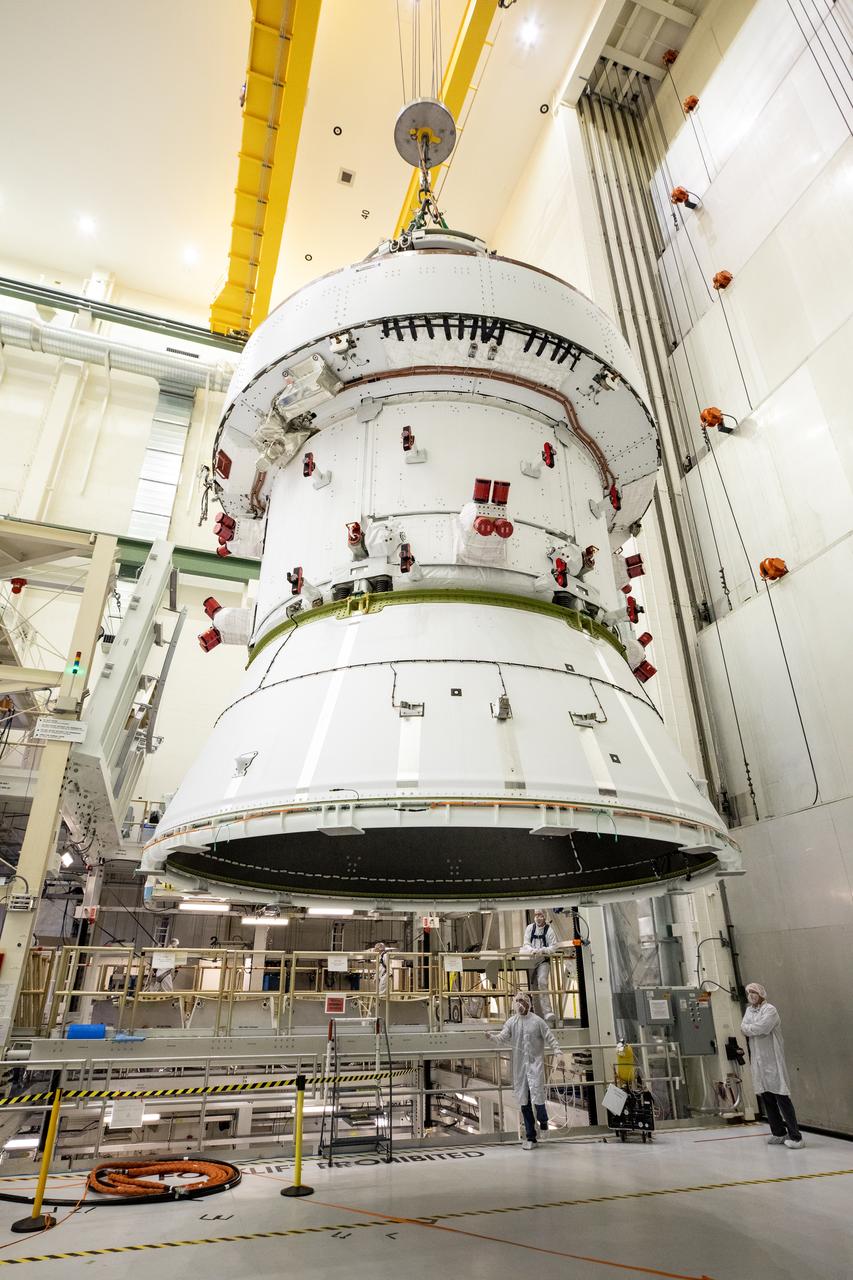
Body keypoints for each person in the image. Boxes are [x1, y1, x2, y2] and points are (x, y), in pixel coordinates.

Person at [488, 991, 563, 1149]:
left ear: (528, 1003)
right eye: (517, 1001)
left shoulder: (537, 1022)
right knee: (524, 1103)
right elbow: (502, 1037)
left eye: (522, 1001)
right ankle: (531, 1138)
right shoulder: (511, 1022)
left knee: (538, 1099)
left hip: (535, 1066)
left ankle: (543, 1122)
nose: (519, 1004)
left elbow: (550, 1037)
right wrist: (492, 1037)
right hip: (520, 1069)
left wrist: (558, 1052)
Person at [741, 982, 804, 1149]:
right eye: (749, 993)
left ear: (761, 993)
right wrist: (751, 1028)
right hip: (759, 1063)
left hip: (773, 1061)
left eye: (754, 992)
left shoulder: (770, 1010)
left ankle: (796, 1137)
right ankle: (778, 1133)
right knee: (767, 1097)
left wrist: (750, 1028)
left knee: (782, 1097)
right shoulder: (749, 1010)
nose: (751, 996)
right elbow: (743, 1028)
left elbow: (764, 1028)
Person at [522, 908, 557, 1022]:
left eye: (540, 915)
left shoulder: (549, 930)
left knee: (542, 982)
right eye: (536, 915)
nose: (538, 917)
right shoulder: (530, 928)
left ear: (545, 916)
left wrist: (542, 951)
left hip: (543, 960)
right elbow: (526, 943)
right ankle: (537, 1014)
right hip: (531, 960)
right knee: (534, 986)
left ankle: (547, 1012)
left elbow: (553, 947)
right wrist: (531, 950)